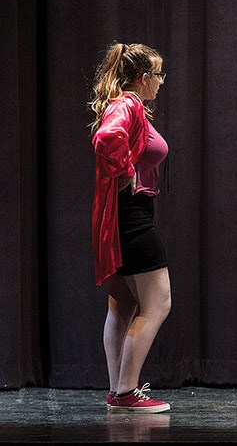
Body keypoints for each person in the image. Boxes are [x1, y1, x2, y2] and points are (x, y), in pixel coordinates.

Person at [90, 42, 171, 413]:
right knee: (158, 303)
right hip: (133, 216)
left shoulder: (128, 105)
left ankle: (117, 390)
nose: (161, 82)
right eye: (158, 75)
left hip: (124, 215)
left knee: (123, 303)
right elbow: (107, 139)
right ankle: (126, 391)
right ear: (144, 78)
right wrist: (126, 170)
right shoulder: (128, 105)